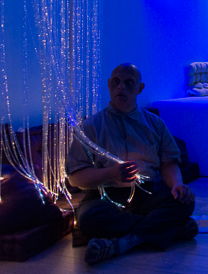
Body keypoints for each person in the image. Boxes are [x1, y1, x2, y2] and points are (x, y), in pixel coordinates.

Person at [66, 63, 196, 265]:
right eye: (116, 82)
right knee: (89, 219)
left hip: (147, 194)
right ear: (109, 85)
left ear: (139, 88)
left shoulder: (155, 124)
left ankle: (126, 242)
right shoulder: (90, 127)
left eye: (128, 83)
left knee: (185, 201)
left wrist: (178, 185)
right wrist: (110, 174)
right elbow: (75, 177)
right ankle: (170, 228)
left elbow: (169, 163)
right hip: (104, 197)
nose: (121, 87)